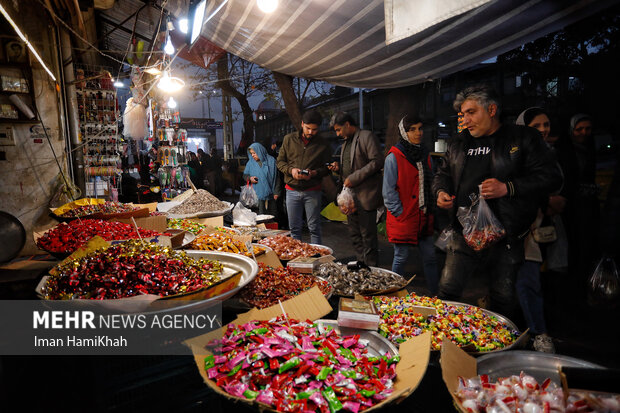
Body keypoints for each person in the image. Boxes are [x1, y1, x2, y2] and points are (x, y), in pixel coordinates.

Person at [432, 85, 562, 318]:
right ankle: (441, 343)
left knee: (503, 298)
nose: (466, 119)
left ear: (491, 109)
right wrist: (441, 191)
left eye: (471, 112)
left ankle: (498, 346)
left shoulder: (522, 138)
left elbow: (551, 177)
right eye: (463, 114)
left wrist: (508, 188)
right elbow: (442, 175)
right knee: (447, 291)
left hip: (507, 237)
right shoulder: (457, 143)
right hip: (464, 233)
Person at [514, 107, 565, 353]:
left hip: (546, 227)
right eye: (537, 126)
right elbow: (518, 189)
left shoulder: (549, 154)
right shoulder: (516, 155)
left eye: (546, 125)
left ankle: (528, 331)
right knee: (527, 279)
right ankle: (537, 332)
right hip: (523, 227)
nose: (543, 130)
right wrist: (546, 201)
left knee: (534, 280)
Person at [383, 115, 439, 294]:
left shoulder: (425, 154)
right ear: (403, 132)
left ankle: (436, 296)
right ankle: (391, 295)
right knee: (401, 257)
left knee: (430, 257)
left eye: (420, 128)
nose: (418, 133)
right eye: (412, 129)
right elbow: (388, 192)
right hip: (405, 217)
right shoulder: (394, 157)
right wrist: (401, 213)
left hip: (424, 216)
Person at [329, 112, 384, 266]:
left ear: (347, 124)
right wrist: (338, 169)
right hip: (350, 198)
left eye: (339, 129)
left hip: (366, 196)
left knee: (368, 237)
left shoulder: (366, 136)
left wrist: (354, 178)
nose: (338, 133)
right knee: (355, 235)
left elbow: (377, 161)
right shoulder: (346, 143)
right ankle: (361, 265)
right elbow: (350, 166)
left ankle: (371, 269)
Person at [277, 110, 331, 244]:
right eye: (308, 128)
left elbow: (327, 168)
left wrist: (314, 173)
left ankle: (316, 258)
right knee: (294, 229)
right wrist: (291, 170)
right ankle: (298, 261)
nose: (310, 132)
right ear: (302, 124)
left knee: (314, 228)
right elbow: (280, 162)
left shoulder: (323, 144)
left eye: (314, 129)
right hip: (291, 190)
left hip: (313, 190)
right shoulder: (289, 139)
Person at [242, 142, 280, 216]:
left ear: (260, 151)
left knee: (273, 214)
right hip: (257, 194)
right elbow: (244, 175)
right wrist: (250, 178)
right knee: (261, 215)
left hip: (271, 194)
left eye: (254, 153)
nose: (252, 155)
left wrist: (277, 192)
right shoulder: (250, 163)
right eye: (251, 153)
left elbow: (277, 178)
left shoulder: (271, 161)